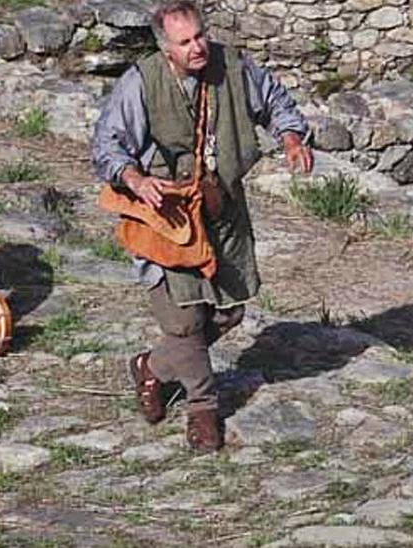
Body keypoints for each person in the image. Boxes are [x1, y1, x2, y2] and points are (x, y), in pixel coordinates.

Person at [90, 0, 313, 452]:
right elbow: (108, 143)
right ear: (166, 48)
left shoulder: (232, 66)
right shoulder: (143, 81)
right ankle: (202, 408)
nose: (197, 47)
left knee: (229, 311)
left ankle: (152, 367)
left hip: (221, 211)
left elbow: (275, 101)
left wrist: (290, 137)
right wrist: (134, 177)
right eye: (185, 41)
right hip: (166, 216)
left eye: (200, 35)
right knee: (186, 322)